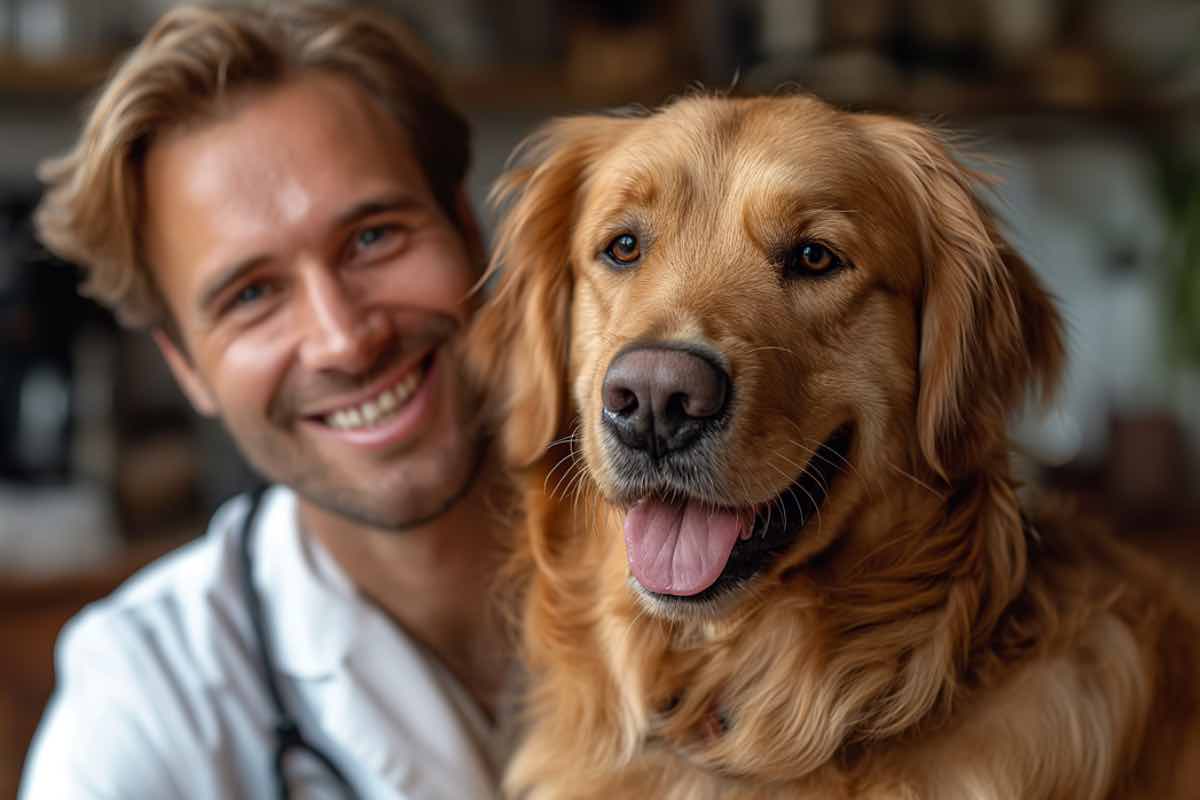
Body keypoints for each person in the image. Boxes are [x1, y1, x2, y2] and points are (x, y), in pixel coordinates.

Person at [19, 3, 514, 798]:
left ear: (467, 230)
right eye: (251, 294)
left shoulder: (707, 550)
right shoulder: (146, 707)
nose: (343, 339)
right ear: (186, 366)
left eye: (374, 237)